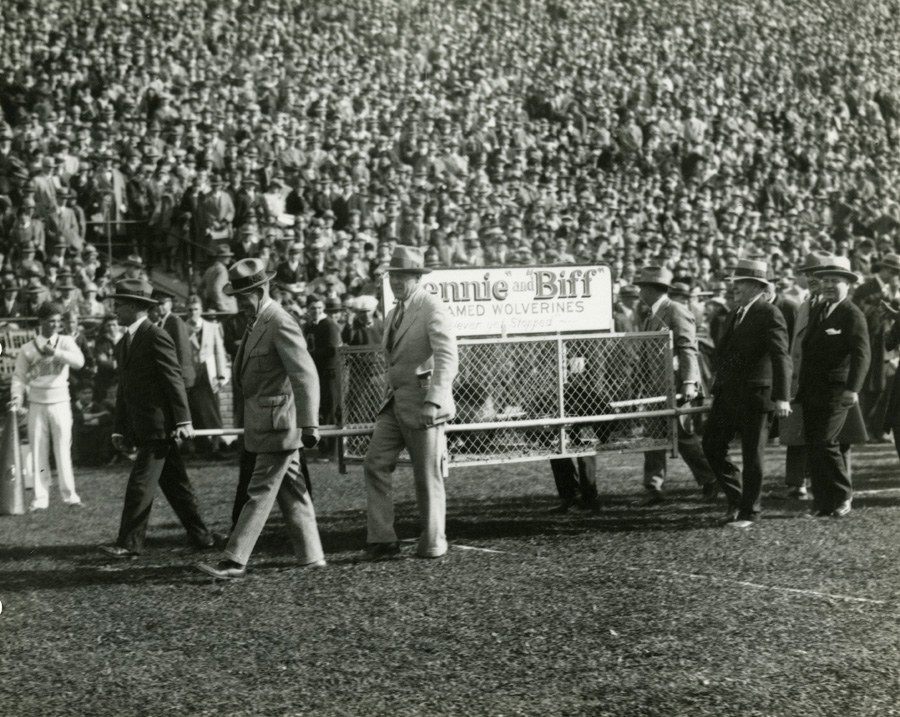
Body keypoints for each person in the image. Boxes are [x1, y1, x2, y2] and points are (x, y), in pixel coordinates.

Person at [198, 258, 325, 579]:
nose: (239, 305)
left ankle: (234, 559)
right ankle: (312, 557)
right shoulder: (258, 321)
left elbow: (305, 374)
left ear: (261, 289)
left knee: (259, 490)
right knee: (293, 492)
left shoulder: (279, 321)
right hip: (267, 422)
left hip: (279, 424)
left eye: (243, 298)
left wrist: (309, 423)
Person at [98, 279, 219, 558]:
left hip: (159, 428)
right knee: (177, 487)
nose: (115, 309)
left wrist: (183, 421)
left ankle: (129, 543)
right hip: (142, 427)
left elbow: (173, 380)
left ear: (133, 306)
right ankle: (203, 537)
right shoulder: (123, 342)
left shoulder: (155, 335)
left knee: (140, 485)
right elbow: (123, 391)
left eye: (119, 304)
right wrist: (119, 429)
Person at [363, 245, 458, 561]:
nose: (395, 282)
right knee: (374, 463)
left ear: (418, 276)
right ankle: (382, 539)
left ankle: (433, 542)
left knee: (426, 476)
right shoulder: (393, 312)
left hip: (422, 404)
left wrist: (435, 401)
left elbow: (447, 357)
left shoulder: (432, 308)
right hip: (394, 404)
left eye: (403, 276)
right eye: (393, 276)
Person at [702, 259, 792, 529]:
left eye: (739, 284)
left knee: (753, 455)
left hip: (757, 396)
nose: (734, 288)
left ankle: (750, 513)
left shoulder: (770, 313)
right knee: (711, 445)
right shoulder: (734, 313)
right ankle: (739, 499)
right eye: (733, 284)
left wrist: (783, 396)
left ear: (756, 286)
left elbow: (781, 356)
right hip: (729, 395)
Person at [633, 266, 718, 503]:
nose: (640, 292)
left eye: (643, 287)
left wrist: (689, 382)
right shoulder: (651, 314)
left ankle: (710, 479)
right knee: (653, 438)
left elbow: (688, 347)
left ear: (652, 289)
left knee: (683, 437)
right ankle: (654, 488)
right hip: (656, 388)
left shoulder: (676, 311)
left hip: (678, 387)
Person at [797, 257, 870, 518]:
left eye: (834, 281)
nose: (827, 286)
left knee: (827, 442)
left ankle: (843, 496)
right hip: (812, 391)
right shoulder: (819, 310)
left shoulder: (852, 314)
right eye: (825, 281)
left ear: (847, 285)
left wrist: (853, 389)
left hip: (837, 392)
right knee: (815, 444)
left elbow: (862, 354)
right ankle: (823, 503)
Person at [10, 300, 85, 511]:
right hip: (36, 403)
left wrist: (56, 353)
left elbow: (79, 362)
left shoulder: (65, 341)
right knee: (38, 450)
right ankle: (40, 498)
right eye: (51, 321)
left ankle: (70, 496)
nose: (55, 325)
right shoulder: (28, 348)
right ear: (41, 321)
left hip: (61, 402)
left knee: (63, 450)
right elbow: (18, 377)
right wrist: (17, 397)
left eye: (58, 321)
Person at [852, 253, 900, 441]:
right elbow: (860, 315)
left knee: (886, 389)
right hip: (871, 344)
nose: (896, 275)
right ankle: (862, 430)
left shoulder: (892, 290)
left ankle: (877, 430)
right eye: (895, 272)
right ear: (885, 270)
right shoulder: (866, 288)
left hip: (887, 345)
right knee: (871, 388)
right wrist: (885, 301)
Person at [184, 294, 229, 459]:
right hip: (192, 377)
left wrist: (222, 375)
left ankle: (216, 447)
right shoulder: (183, 328)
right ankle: (196, 449)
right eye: (189, 310)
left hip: (210, 376)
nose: (193, 312)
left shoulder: (212, 327)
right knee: (195, 412)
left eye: (196, 309)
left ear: (201, 310)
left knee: (213, 411)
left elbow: (219, 351)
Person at [303, 293, 342, 460]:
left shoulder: (329, 325)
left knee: (331, 410)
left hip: (330, 373)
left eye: (319, 308)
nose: (316, 311)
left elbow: (331, 349)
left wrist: (308, 355)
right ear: (307, 310)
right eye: (313, 308)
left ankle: (331, 451)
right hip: (317, 373)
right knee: (320, 411)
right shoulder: (309, 326)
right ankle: (323, 447)